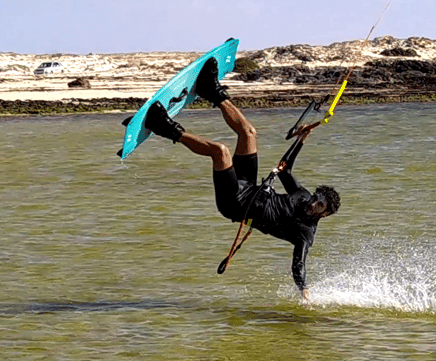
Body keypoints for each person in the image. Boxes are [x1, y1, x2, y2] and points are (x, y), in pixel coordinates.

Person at [143, 57, 341, 301]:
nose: (313, 203)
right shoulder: (302, 196)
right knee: (249, 132)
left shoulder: (305, 233)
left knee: (220, 151)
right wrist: (302, 139)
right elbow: (285, 169)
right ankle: (210, 90)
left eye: (319, 205)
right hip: (248, 186)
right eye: (316, 198)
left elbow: (298, 264)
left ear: (325, 214)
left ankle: (163, 127)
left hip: (235, 204)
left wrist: (304, 289)